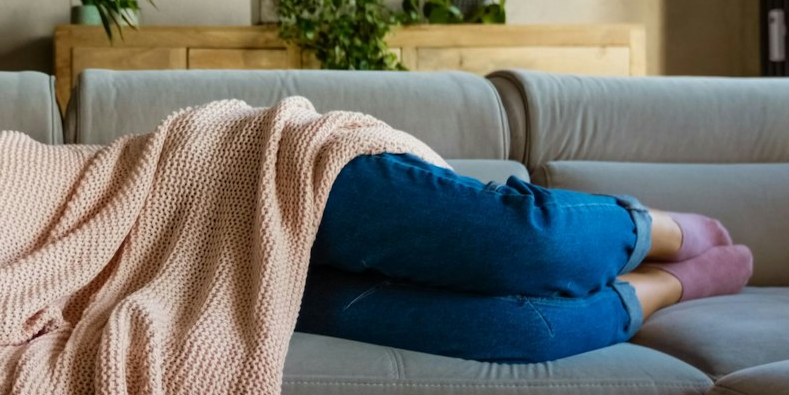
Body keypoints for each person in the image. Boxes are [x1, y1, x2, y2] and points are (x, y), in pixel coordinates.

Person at [302, 152, 752, 363]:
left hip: (285, 176)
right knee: (525, 327)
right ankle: (661, 287)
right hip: (264, 277)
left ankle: (651, 229)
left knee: (523, 241)